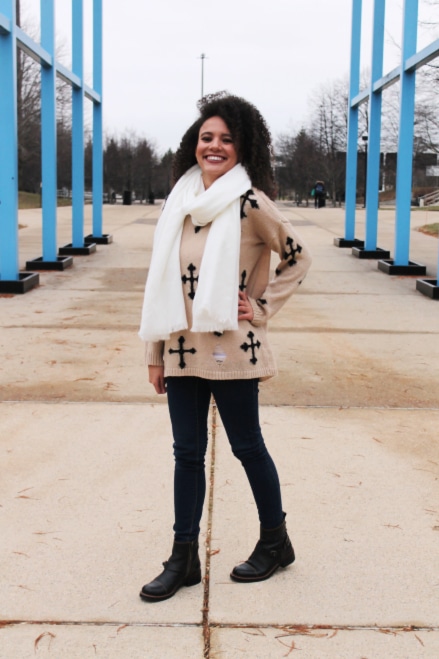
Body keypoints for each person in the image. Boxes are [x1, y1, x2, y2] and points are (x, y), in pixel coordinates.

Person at [138, 92, 312, 602]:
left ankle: (276, 542)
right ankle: (183, 558)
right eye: (206, 137)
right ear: (194, 145)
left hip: (234, 352)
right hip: (182, 349)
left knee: (246, 447)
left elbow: (299, 258)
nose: (214, 146)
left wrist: (258, 308)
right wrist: (154, 355)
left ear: (243, 148)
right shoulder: (180, 203)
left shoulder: (250, 203)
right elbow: (159, 283)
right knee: (187, 453)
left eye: (226, 139)